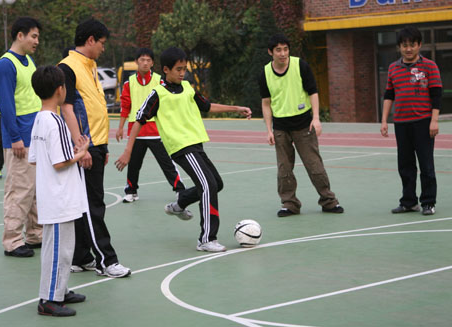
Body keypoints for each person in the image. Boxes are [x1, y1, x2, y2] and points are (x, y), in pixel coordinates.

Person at [115, 47, 252, 252]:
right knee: (207, 185)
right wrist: (128, 150)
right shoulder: (158, 94)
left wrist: (236, 109)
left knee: (217, 184)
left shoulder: (188, 87)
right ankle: (206, 238)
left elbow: (207, 106)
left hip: (196, 144)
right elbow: (139, 120)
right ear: (166, 70)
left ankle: (180, 203)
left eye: (184, 69)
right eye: (178, 69)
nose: (182, 73)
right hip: (180, 147)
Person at [59, 18, 130, 278]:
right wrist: (82, 147)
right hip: (83, 148)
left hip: (96, 145)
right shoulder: (67, 67)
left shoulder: (90, 66)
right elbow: (67, 107)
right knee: (92, 205)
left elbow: (94, 106)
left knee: (86, 204)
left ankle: (80, 257)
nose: (103, 47)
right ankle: (106, 260)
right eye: (101, 43)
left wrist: (103, 145)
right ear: (90, 40)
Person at [259, 33, 344, 217]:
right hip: (281, 127)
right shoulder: (265, 73)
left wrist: (316, 118)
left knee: (314, 165)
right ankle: (290, 204)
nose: (283, 53)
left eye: (286, 49)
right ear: (270, 52)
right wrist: (268, 130)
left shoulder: (300, 66)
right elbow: (266, 103)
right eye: (278, 50)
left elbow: (313, 92)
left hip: (304, 124)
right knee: (284, 169)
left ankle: (328, 201)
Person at [29, 66, 88, 317]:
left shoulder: (39, 119)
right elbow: (60, 161)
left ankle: (60, 290)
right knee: (58, 252)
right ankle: (48, 300)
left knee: (63, 249)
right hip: (59, 197)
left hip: (53, 195)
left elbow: (35, 159)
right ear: (59, 90)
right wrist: (82, 152)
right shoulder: (55, 122)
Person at [0, 17, 43, 257]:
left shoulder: (29, 61)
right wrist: (15, 138)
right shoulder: (5, 65)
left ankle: (35, 234)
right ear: (19, 36)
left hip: (34, 137)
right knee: (19, 190)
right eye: (33, 36)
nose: (36, 41)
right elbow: (6, 104)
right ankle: (12, 241)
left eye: (38, 37)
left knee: (35, 190)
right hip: (19, 139)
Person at [380, 26, 442, 216]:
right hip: (401, 123)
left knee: (426, 164)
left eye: (412, 45)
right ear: (399, 47)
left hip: (423, 122)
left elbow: (436, 94)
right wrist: (384, 121)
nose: (408, 49)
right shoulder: (393, 68)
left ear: (419, 45)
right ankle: (408, 202)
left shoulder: (429, 66)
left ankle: (428, 202)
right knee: (405, 165)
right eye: (404, 45)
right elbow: (389, 95)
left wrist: (434, 121)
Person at [116, 47, 185, 203]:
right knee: (133, 164)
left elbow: (168, 103)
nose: (145, 63)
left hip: (155, 129)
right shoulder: (129, 83)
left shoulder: (160, 80)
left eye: (148, 60)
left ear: (153, 63)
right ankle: (131, 191)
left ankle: (180, 190)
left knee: (166, 162)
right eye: (142, 60)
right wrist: (120, 127)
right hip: (136, 130)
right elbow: (125, 105)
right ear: (136, 62)